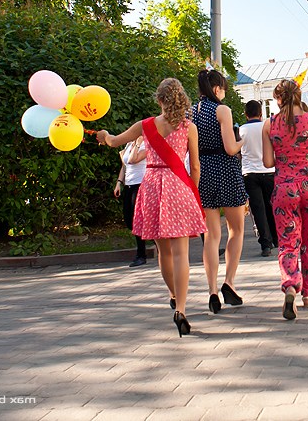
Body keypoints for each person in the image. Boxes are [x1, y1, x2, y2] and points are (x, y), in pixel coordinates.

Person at [96, 78, 205, 337]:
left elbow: (114, 142)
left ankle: (172, 293)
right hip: (179, 186)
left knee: (163, 252)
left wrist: (103, 136)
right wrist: (192, 191)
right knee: (181, 254)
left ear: (159, 100)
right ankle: (181, 308)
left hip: (153, 185)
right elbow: (197, 167)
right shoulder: (190, 128)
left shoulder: (145, 125)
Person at [262, 79, 308, 320]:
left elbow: (268, 163)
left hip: (284, 188)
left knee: (288, 242)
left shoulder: (270, 125)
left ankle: (290, 285)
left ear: (278, 99)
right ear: (299, 96)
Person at [193, 69, 248, 314]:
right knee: (236, 231)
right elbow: (229, 148)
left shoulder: (191, 112)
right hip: (225, 171)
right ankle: (229, 283)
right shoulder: (222, 110)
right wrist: (242, 141)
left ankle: (212, 291)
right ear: (217, 89)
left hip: (203, 171)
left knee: (211, 237)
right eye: (223, 87)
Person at [240, 100, 277, 257]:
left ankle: (265, 244)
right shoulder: (267, 126)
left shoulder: (241, 130)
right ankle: (277, 239)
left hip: (250, 173)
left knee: (258, 208)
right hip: (269, 171)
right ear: (261, 113)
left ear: (246, 114)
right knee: (271, 206)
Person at [115, 138, 148, 267]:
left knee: (138, 220)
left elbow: (133, 159)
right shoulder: (129, 144)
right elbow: (125, 165)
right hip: (129, 184)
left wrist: (138, 144)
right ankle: (148, 248)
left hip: (141, 184)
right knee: (129, 219)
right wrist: (119, 182)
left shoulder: (147, 144)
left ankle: (141, 255)